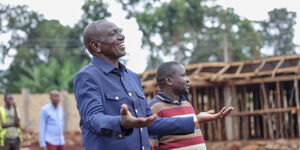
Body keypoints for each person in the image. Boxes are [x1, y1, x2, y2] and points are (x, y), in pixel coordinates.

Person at [73, 19, 206, 150]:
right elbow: (92, 119)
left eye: (120, 31)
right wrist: (121, 122)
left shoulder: (132, 77)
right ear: (96, 46)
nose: (122, 36)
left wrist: (195, 120)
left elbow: (150, 122)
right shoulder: (88, 76)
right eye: (113, 34)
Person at [149, 61, 234, 150]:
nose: (187, 79)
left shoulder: (187, 104)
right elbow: (152, 145)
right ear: (169, 80)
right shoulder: (154, 107)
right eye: (183, 75)